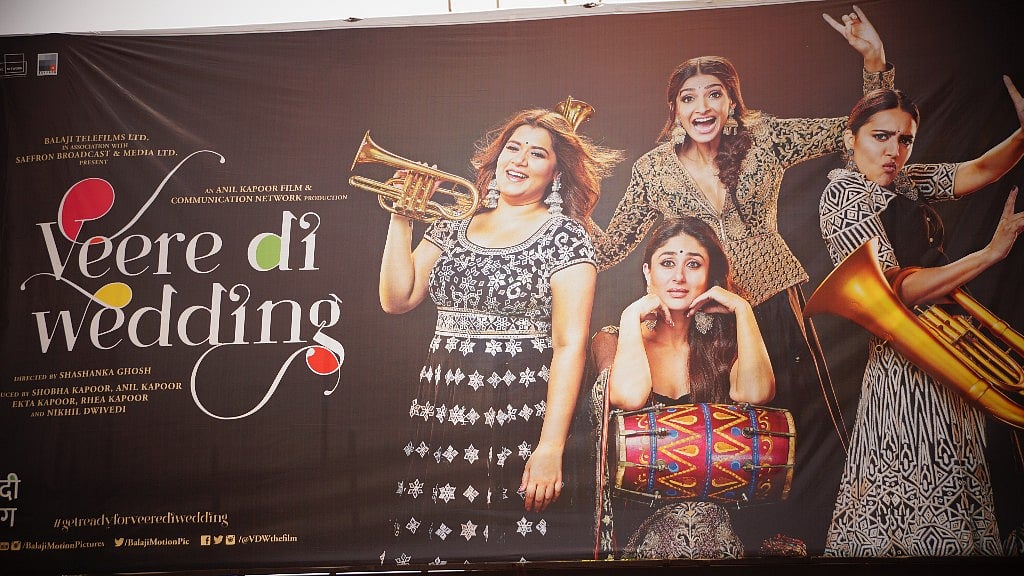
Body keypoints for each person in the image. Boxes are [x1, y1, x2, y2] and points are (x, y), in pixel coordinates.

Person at [588, 6, 892, 550]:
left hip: (774, 303)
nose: (700, 107)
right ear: (674, 109)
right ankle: (736, 543)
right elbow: (610, 247)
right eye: (687, 97)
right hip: (701, 322)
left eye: (713, 94)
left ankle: (812, 543)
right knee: (730, 441)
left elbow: (855, 133)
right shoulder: (652, 169)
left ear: (731, 102)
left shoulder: (764, 137)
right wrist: (566, 207)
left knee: (804, 425)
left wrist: (875, 62)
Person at [378, 107, 624, 565]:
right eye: (513, 148)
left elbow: (570, 346)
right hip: (443, 410)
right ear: (496, 158)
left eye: (537, 154)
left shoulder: (567, 237)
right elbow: (398, 298)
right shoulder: (453, 222)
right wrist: (401, 217)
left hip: (521, 415)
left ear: (556, 173)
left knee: (510, 545)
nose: (520, 160)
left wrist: (550, 447)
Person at [817, 80, 1024, 557]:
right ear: (851, 139)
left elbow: (980, 170)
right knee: (915, 494)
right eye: (880, 137)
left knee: (953, 479)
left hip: (947, 346)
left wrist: (1022, 135)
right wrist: (989, 255)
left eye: (905, 140)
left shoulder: (904, 182)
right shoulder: (847, 195)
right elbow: (897, 291)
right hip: (907, 362)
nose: (894, 151)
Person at [588, 216, 776, 559]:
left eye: (693, 264)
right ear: (648, 272)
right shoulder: (612, 338)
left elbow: (756, 393)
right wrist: (632, 317)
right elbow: (629, 397)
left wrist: (743, 310)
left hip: (720, 532)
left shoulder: (723, 342)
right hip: (641, 531)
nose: (679, 277)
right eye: (667, 263)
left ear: (709, 275)